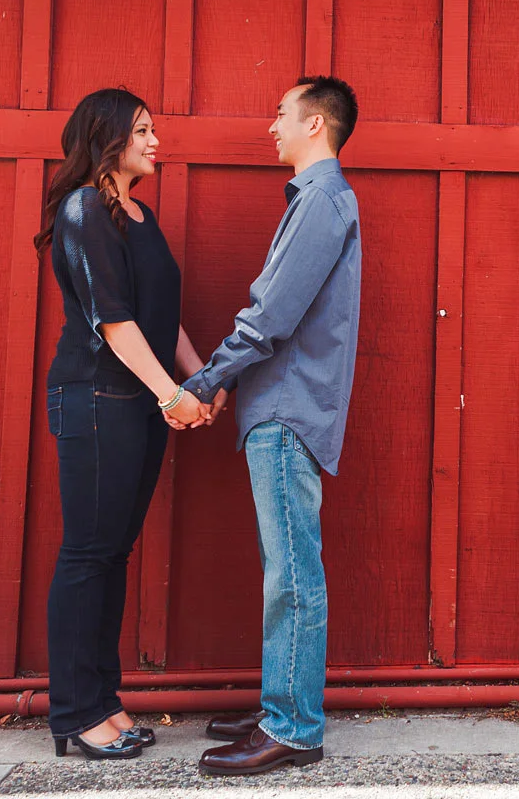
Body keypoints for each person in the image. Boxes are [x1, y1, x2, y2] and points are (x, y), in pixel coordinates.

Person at [183, 76, 362, 776]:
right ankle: (280, 705)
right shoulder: (316, 200)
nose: (272, 128)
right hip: (280, 407)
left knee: (292, 572)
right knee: (284, 567)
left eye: (281, 115)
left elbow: (270, 316)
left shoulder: (320, 201)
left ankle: (293, 729)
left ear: (315, 124)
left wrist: (204, 381)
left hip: (287, 411)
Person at [35, 88, 212, 759]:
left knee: (111, 555)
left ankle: (103, 703)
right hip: (96, 399)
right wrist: (172, 396)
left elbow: (161, 312)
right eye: (142, 130)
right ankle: (77, 714)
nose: (155, 140)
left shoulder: (139, 214)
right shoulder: (85, 209)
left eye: (154, 128)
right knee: (87, 555)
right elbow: (113, 323)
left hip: (138, 401)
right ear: (106, 139)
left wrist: (196, 378)